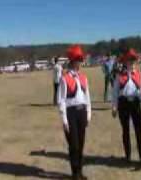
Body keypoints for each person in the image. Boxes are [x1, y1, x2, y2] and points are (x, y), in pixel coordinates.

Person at [57, 45, 91, 180]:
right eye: (78, 60)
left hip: (81, 112)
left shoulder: (83, 78)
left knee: (81, 144)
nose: (80, 62)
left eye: (80, 60)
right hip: (70, 113)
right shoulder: (64, 78)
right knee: (74, 145)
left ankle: (80, 171)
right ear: (72, 61)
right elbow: (61, 101)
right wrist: (64, 120)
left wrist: (88, 113)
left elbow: (87, 97)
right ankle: (75, 173)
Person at [112, 48, 141, 166]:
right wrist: (114, 106)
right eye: (129, 61)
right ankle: (128, 156)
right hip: (123, 104)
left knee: (139, 131)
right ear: (125, 62)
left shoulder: (138, 75)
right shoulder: (119, 76)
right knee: (125, 131)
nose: (132, 63)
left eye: (133, 61)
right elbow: (115, 92)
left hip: (135, 104)